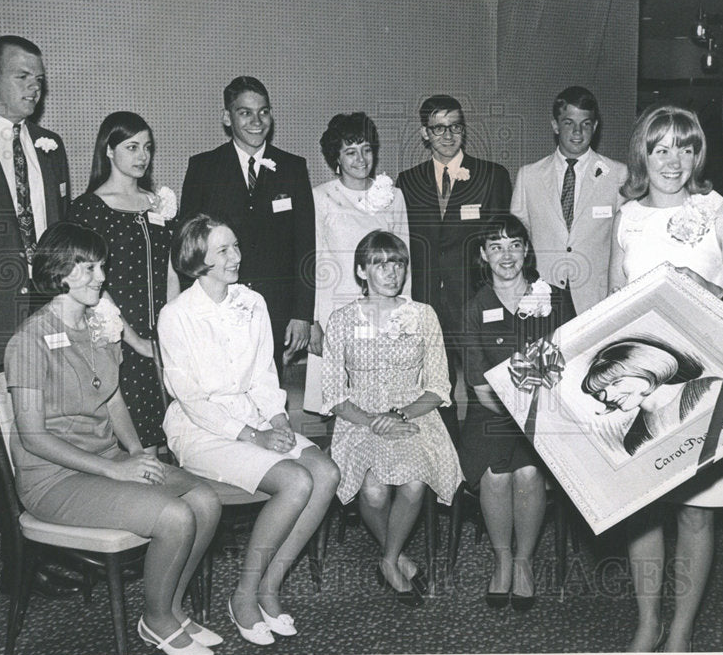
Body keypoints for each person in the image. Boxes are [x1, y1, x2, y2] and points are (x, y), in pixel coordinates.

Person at [3, 222, 222, 655]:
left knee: (206, 500)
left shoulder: (99, 323)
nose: (101, 277)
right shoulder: (28, 341)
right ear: (58, 272)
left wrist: (138, 452)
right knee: (175, 516)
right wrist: (116, 467)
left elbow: (113, 399)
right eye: (87, 268)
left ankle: (169, 610)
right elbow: (32, 436)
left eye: (101, 266)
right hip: (53, 480)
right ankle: (157, 621)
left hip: (105, 460)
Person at [604, 104, 723, 652]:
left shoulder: (721, 214)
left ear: (698, 153)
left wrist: (704, 288)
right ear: (642, 152)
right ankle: (647, 622)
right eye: (660, 147)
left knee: (695, 511)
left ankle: (682, 630)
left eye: (684, 147)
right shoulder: (628, 217)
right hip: (643, 380)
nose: (672, 160)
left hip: (705, 380)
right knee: (642, 510)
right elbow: (611, 304)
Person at [158, 214, 340, 646]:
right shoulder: (176, 315)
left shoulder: (252, 303)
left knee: (327, 473)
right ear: (197, 259)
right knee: (296, 481)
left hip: (256, 415)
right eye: (223, 250)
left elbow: (263, 373)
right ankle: (242, 596)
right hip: (201, 429)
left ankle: (268, 587)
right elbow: (192, 400)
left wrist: (277, 420)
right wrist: (253, 436)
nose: (236, 257)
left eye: (236, 246)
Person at [0, 35, 74, 635]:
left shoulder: (50, 149)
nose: (33, 89)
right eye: (22, 77)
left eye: (39, 80)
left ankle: (22, 571)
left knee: (33, 450)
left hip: (39, 331)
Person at [320, 230, 462, 606]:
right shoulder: (341, 320)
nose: (391, 271)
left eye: (397, 262)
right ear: (361, 271)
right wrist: (371, 420)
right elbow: (334, 395)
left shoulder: (423, 315)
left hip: (414, 414)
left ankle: (387, 559)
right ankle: (397, 557)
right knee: (373, 488)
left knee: (414, 481)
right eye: (380, 263)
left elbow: (437, 386)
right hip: (358, 419)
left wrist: (397, 414)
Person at [458, 214, 575, 610]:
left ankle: (524, 562)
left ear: (526, 250)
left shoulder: (554, 298)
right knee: (494, 472)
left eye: (514, 245)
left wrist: (534, 418)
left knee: (527, 471)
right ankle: (502, 559)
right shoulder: (475, 307)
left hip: (545, 414)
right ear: (483, 255)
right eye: (496, 246)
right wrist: (514, 418)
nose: (506, 255)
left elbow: (570, 365)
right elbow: (476, 384)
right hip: (490, 414)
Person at [397, 94, 512, 445]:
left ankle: (484, 465)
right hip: (428, 304)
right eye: (438, 128)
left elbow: (501, 245)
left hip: (476, 303)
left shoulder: (492, 176)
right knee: (436, 393)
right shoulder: (407, 182)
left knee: (488, 390)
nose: (448, 135)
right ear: (424, 133)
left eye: (455, 127)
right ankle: (445, 480)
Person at [180, 76, 315, 375]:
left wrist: (302, 314)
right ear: (227, 118)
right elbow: (189, 246)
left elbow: (306, 245)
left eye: (263, 112)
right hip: (218, 305)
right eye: (245, 113)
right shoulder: (203, 167)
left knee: (269, 394)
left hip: (276, 311)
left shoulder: (292, 167)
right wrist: (196, 310)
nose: (257, 121)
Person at [70, 112, 179, 449]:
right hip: (117, 338)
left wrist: (172, 331)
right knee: (141, 446)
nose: (142, 156)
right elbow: (94, 285)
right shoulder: (90, 208)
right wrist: (136, 341)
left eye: (147, 147)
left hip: (162, 336)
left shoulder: (157, 203)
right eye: (132, 147)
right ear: (109, 150)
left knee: (175, 438)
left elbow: (171, 270)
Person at [303, 112, 410, 416]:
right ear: (335, 157)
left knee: (384, 399)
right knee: (342, 402)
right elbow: (311, 262)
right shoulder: (319, 197)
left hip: (385, 312)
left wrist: (406, 314)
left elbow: (405, 260)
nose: (361, 159)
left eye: (366, 149)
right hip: (335, 312)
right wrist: (313, 321)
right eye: (350, 151)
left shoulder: (393, 196)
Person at [511, 85, 628, 315]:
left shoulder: (618, 175)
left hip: (597, 298)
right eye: (568, 123)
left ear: (595, 127)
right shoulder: (529, 176)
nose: (577, 132)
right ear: (555, 125)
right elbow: (517, 241)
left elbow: (625, 244)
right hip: (542, 297)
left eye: (585, 124)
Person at [582, 338, 723, 461]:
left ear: (647, 369)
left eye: (616, 382)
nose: (609, 396)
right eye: (600, 391)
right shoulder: (633, 442)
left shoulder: (710, 389)